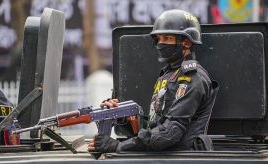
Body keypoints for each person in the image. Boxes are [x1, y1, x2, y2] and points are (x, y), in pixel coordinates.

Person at [88, 9, 219, 153]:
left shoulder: (192, 78)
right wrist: (125, 117)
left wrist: (118, 147)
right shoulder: (168, 74)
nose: (161, 44)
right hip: (166, 154)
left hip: (184, 156)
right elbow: (154, 126)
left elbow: (169, 133)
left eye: (168, 38)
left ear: (186, 42)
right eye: (159, 39)